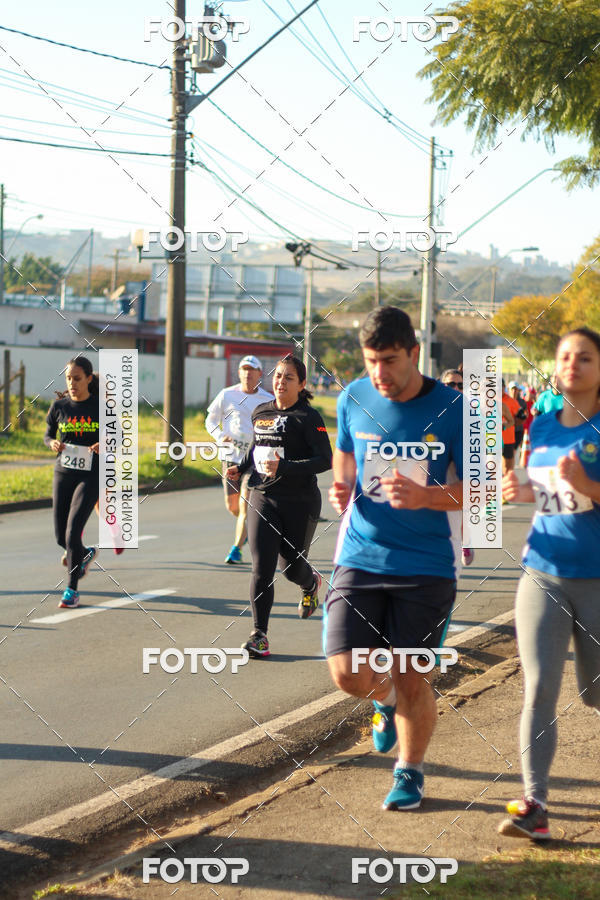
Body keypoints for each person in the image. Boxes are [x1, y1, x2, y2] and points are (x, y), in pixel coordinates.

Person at [326, 307, 463, 811]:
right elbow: (345, 450)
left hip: (427, 563)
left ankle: (409, 772)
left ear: (412, 353)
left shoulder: (457, 407)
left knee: (412, 675)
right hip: (361, 554)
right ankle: (382, 700)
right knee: (347, 675)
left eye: (388, 360)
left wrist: (427, 497)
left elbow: (486, 490)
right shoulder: (352, 397)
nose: (378, 373)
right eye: (369, 362)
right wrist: (341, 486)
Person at [498, 327, 600, 841]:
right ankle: (535, 804)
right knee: (539, 688)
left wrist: (589, 487)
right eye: (565, 356)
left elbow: (579, 491)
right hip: (542, 570)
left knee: (594, 693)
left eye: (585, 357)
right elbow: (533, 489)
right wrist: (516, 490)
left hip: (598, 579)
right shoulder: (539, 424)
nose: (573, 364)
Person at [226, 355, 332, 657]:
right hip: (263, 497)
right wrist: (241, 468)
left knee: (291, 568)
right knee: (262, 568)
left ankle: (310, 583)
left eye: (288, 377)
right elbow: (257, 448)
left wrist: (284, 467)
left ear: (301, 384)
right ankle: (259, 634)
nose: (280, 382)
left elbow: (325, 460)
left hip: (300, 501)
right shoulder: (261, 411)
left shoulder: (309, 418)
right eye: (277, 376)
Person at [44, 356, 100, 608]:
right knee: (60, 538)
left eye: (77, 378)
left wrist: (106, 443)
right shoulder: (59, 406)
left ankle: (72, 590)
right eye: (69, 378)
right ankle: (85, 553)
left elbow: (120, 438)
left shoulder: (101, 408)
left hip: (90, 475)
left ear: (89, 379)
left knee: (72, 533)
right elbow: (47, 435)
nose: (72, 383)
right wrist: (52, 443)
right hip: (63, 472)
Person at [205, 356, 273, 564]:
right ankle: (249, 528)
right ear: (239, 372)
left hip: (254, 459)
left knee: (245, 504)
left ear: (259, 374)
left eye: (252, 370)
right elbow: (210, 420)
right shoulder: (226, 394)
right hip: (230, 457)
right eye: (244, 369)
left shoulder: (266, 399)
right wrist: (218, 436)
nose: (247, 373)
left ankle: (236, 548)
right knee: (232, 506)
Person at [440, 369, 474, 567]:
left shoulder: (468, 409)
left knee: (460, 507)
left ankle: (464, 540)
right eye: (451, 384)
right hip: (435, 469)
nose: (456, 388)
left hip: (458, 470)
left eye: (460, 385)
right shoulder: (430, 409)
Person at [501, 380, 519, 474]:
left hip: (508, 438)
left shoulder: (511, 401)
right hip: (488, 440)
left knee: (507, 467)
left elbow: (517, 419)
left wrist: (503, 426)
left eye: (501, 386)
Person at [509, 382, 527, 453]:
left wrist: (521, 419)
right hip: (507, 431)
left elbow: (525, 415)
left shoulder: (522, 402)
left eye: (516, 389)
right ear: (509, 390)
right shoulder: (504, 400)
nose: (514, 391)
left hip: (518, 430)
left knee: (513, 452)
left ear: (518, 391)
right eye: (512, 389)